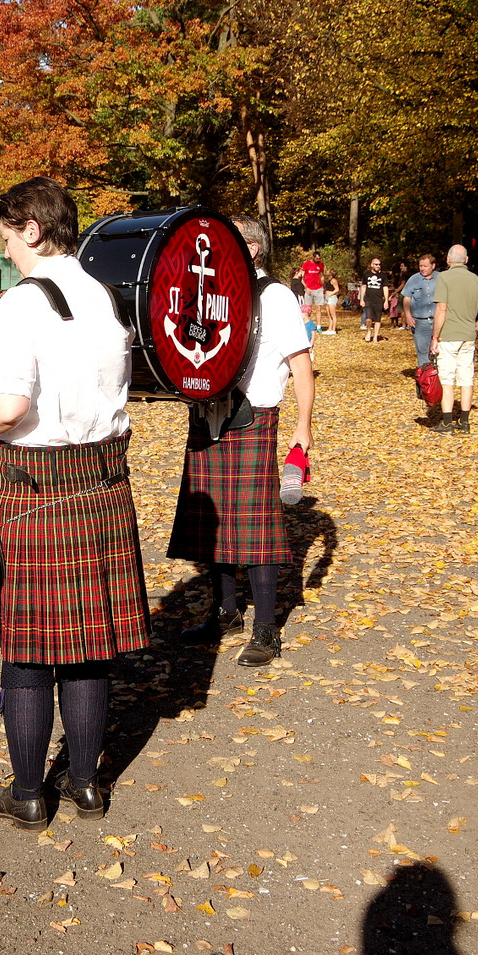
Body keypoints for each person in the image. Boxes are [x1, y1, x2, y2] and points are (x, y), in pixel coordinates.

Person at [0, 177, 148, 831]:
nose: (4, 247)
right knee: (89, 648)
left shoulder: (20, 306)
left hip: (34, 482)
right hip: (101, 483)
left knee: (28, 653)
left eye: (6, 235)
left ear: (31, 228)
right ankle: (87, 786)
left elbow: (10, 406)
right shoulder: (103, 295)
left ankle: (30, 793)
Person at [173, 237, 315, 667]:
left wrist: (302, 428)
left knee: (256, 529)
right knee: (213, 521)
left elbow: (301, 363)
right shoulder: (209, 291)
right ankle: (226, 612)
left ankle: (267, 631)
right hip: (206, 414)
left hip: (252, 417)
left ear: (251, 247)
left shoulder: (274, 295)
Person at [428, 245, 478, 433]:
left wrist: (435, 336)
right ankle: (464, 422)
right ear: (466, 260)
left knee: (447, 379)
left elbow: (441, 309)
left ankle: (447, 421)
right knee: (466, 379)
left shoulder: (444, 277)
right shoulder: (476, 280)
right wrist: (476, 327)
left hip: (448, 336)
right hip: (468, 336)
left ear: (448, 260)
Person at [400, 253, 439, 368]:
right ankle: (425, 380)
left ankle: (439, 380)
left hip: (439, 321)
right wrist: (408, 316)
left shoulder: (441, 278)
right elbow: (406, 298)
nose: (422, 268)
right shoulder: (414, 279)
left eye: (425, 266)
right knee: (423, 354)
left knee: (440, 352)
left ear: (433, 265)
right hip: (420, 323)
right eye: (420, 266)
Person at [294, 249, 331, 333]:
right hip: (309, 289)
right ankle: (308, 324)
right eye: (317, 258)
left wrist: (323, 286)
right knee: (308, 309)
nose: (318, 260)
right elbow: (302, 278)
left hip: (318, 288)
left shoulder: (321, 265)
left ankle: (318, 326)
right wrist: (306, 287)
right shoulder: (306, 264)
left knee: (318, 308)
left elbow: (321, 275)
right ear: (313, 257)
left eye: (319, 259)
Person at [359, 257, 387, 342]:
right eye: (376, 264)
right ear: (372, 265)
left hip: (378, 300)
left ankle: (375, 336)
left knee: (378, 319)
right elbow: (363, 287)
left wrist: (386, 301)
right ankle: (369, 331)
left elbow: (385, 288)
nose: (378, 266)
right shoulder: (366, 275)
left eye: (379, 264)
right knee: (368, 318)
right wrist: (361, 299)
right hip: (368, 299)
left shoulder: (383, 276)